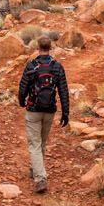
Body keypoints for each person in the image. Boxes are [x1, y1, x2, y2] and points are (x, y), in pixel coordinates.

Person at [17, 37, 69, 194]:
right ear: (51, 47)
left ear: (38, 47)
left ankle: (40, 179)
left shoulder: (32, 65)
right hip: (50, 110)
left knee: (34, 144)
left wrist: (21, 100)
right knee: (42, 141)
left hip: (33, 110)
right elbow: (63, 91)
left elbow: (23, 86)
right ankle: (35, 168)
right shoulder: (57, 66)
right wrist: (66, 112)